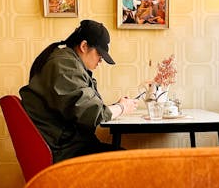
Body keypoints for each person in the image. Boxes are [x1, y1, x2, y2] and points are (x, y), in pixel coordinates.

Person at [19, 20, 137, 162]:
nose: (100, 61)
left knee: (125, 158)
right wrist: (122, 107)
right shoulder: (65, 66)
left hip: (67, 146)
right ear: (84, 46)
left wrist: (114, 108)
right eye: (99, 54)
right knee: (129, 161)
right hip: (66, 152)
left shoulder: (67, 62)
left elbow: (88, 109)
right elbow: (94, 115)